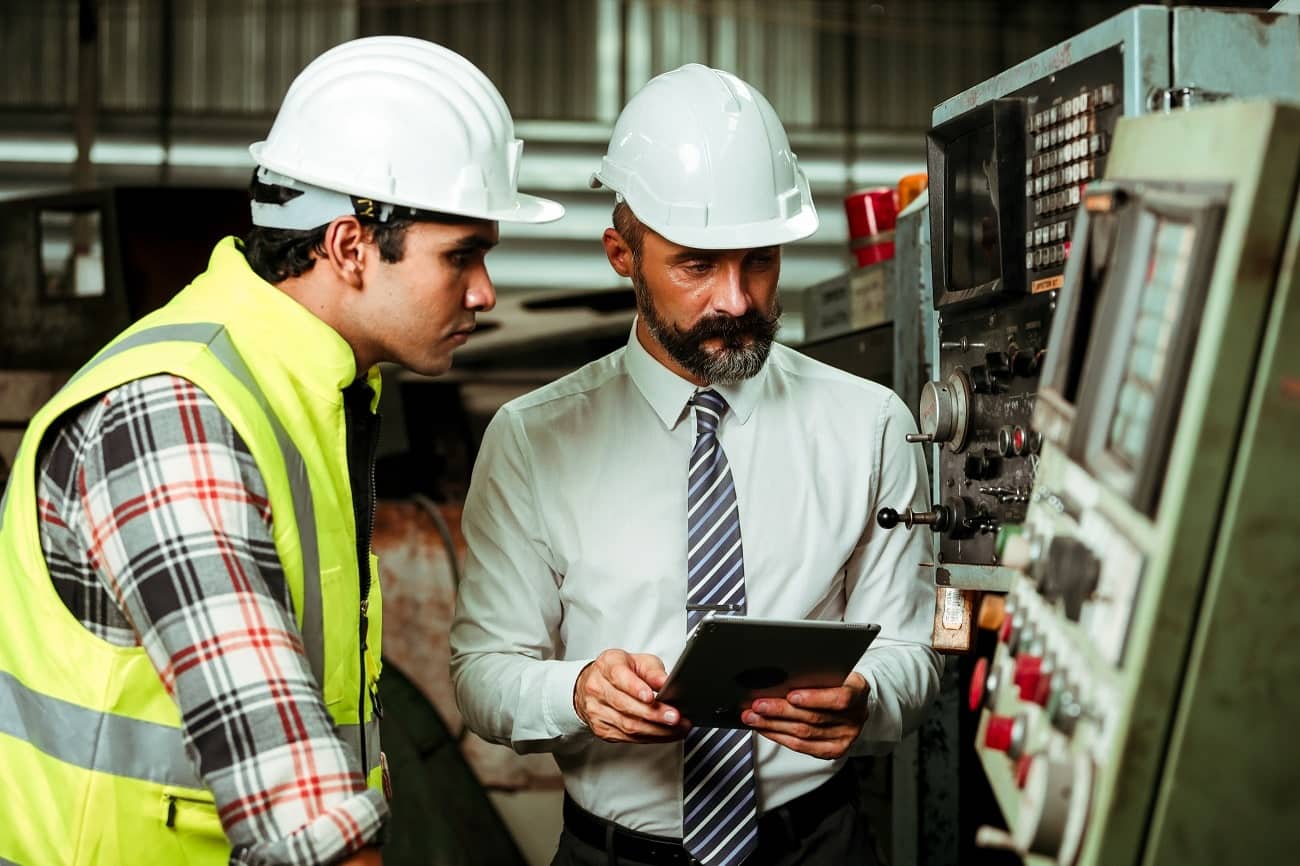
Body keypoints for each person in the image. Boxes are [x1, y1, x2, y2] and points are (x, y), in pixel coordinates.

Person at [0, 36, 562, 866]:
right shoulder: (176, 414)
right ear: (347, 245)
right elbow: (303, 822)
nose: (484, 292)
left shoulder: (313, 394)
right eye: (462, 256)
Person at [450, 63, 940, 866]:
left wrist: (869, 697)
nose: (737, 300)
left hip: (817, 844)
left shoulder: (870, 425)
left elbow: (912, 650)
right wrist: (573, 692)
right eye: (696, 266)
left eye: (759, 262)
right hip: (616, 853)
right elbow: (482, 674)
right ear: (622, 253)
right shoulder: (532, 441)